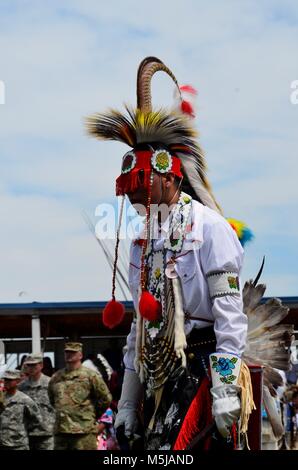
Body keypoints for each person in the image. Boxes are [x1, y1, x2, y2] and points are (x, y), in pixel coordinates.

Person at [86, 57, 255, 450]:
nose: (136, 205)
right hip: (155, 371)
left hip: (203, 364)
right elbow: (139, 330)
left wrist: (226, 386)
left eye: (143, 193)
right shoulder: (140, 243)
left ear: (169, 177)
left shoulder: (210, 228)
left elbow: (230, 315)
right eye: (131, 197)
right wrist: (127, 401)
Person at [48, 342, 112, 450]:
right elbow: (52, 399)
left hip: (83, 432)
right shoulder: (56, 377)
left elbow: (106, 398)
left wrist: (91, 415)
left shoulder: (90, 375)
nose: (69, 355)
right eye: (67, 352)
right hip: (62, 432)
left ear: (80, 355)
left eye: (73, 352)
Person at [18, 353, 55, 450]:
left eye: (34, 365)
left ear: (41, 365)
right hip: (27, 433)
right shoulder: (21, 387)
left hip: (47, 434)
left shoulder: (51, 384)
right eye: (29, 365)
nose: (31, 368)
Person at [0, 369, 43, 450]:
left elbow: (37, 420)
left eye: (10, 380)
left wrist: (21, 431)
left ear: (17, 381)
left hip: (18, 445)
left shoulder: (25, 400)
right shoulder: (1, 398)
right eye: (5, 379)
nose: (6, 382)